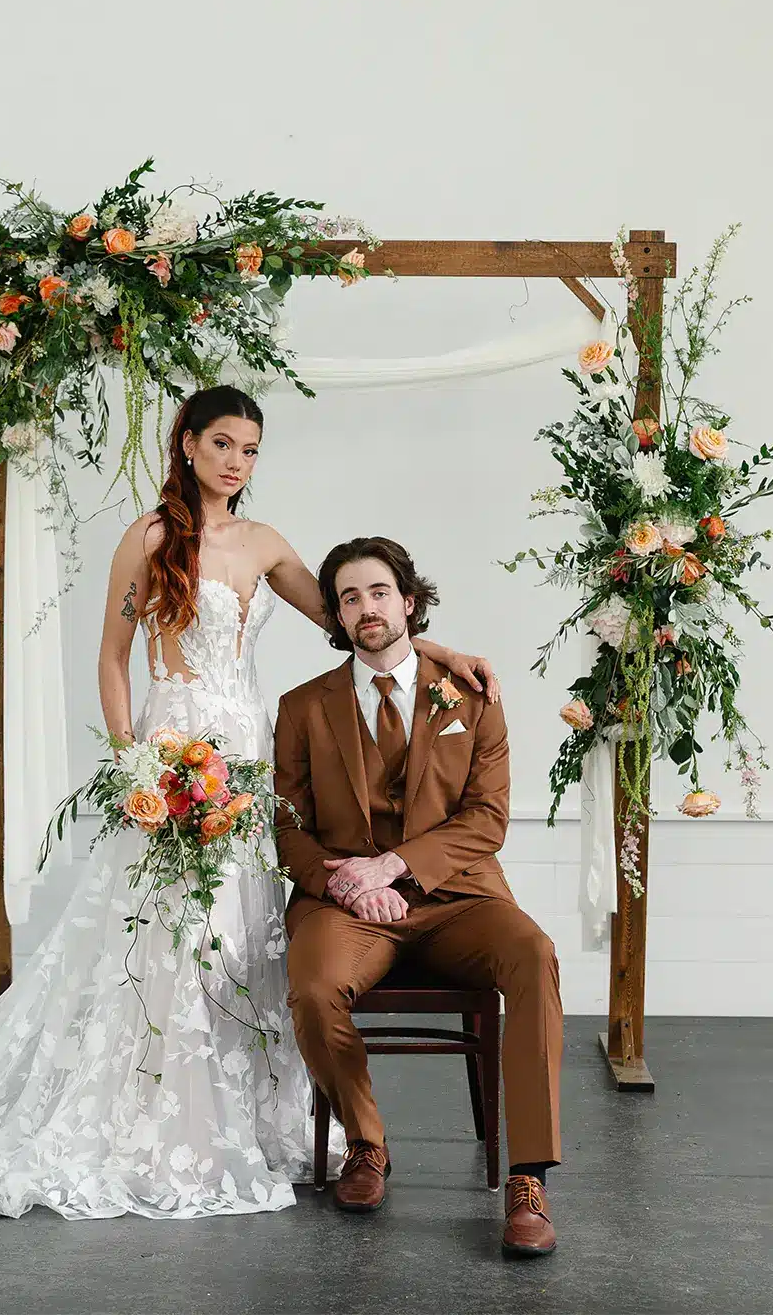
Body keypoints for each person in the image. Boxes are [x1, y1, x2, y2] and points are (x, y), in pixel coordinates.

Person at [0, 387, 496, 1225]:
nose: (237, 462)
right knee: (168, 934)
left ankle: (254, 1114)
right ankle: (162, 1120)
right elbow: (114, 657)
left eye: (251, 449)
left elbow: (353, 622)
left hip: (249, 755)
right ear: (187, 445)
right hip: (175, 749)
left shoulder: (265, 544)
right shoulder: (151, 537)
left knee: (239, 934)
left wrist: (439, 645)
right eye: (222, 443)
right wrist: (135, 766)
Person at [273, 536, 563, 1257]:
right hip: (344, 905)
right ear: (336, 618)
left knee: (534, 954)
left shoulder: (472, 695)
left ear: (408, 602)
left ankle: (528, 1178)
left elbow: (487, 821)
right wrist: (347, 879)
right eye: (348, 598)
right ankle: (366, 1144)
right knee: (312, 988)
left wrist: (395, 867)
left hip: (459, 898)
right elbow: (282, 826)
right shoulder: (302, 707)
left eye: (377, 592)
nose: (365, 608)